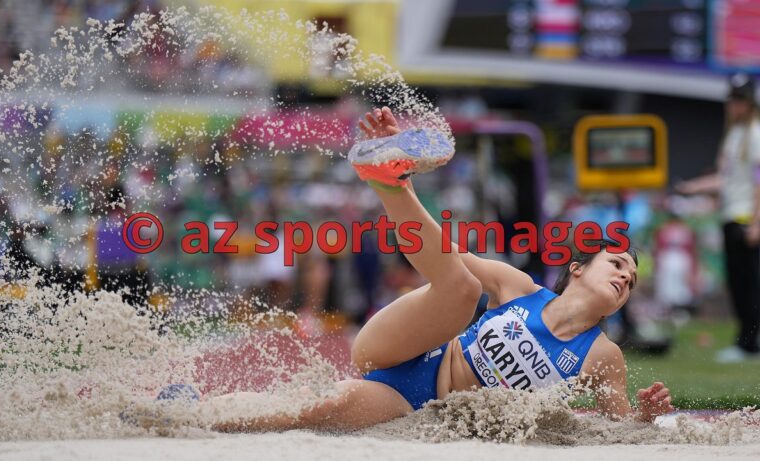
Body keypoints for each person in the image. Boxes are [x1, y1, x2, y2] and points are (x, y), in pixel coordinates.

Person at [204, 107, 674, 432]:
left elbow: (618, 431)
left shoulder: (602, 356)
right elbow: (440, 254)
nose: (623, 279)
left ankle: (188, 412)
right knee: (462, 285)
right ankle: (388, 179)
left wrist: (647, 418)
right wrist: (401, 186)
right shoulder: (520, 288)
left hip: (415, 405)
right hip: (414, 354)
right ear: (576, 269)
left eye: (630, 280)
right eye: (616, 265)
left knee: (313, 409)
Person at [676, 73, 760, 362]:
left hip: (745, 217)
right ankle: (746, 341)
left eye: (740, 100)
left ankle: (749, 344)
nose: (734, 105)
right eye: (732, 99)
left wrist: (756, 222)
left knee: (749, 284)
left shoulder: (754, 134)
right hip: (731, 215)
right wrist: (691, 188)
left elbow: (758, 181)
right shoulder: (735, 135)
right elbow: (726, 180)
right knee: (738, 284)